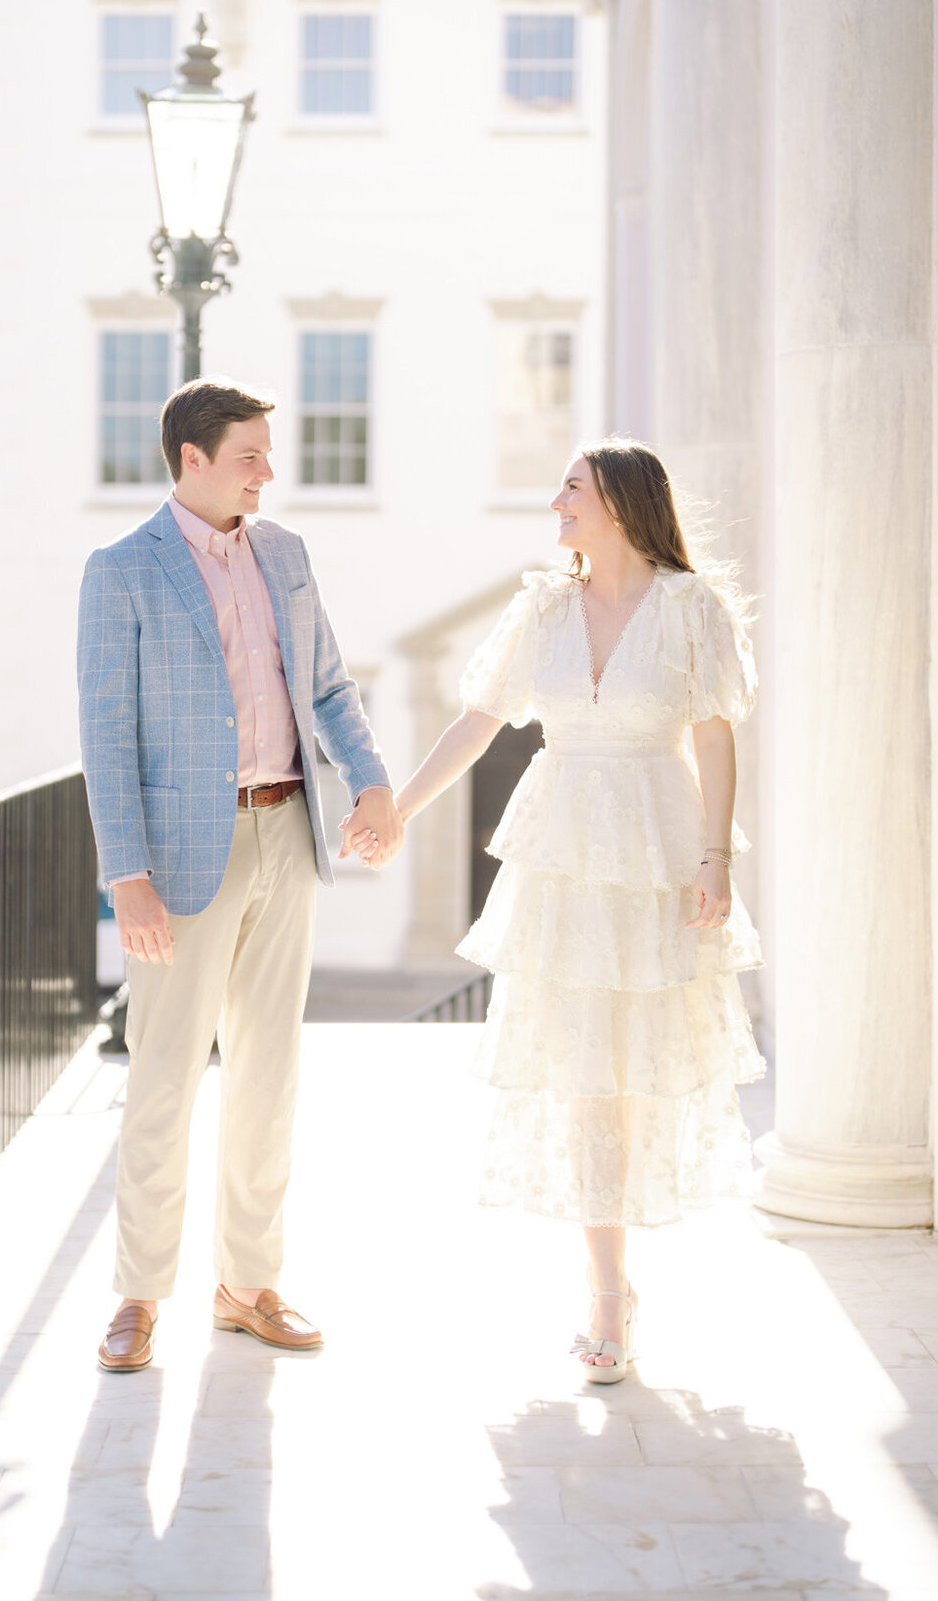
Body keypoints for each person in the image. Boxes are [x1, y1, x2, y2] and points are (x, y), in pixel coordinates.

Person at [386, 438, 764, 1382]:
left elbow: (714, 741)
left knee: (641, 1075)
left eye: (572, 487)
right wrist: (396, 807)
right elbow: (477, 719)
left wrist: (716, 858)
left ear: (623, 504)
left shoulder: (691, 608)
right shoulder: (540, 608)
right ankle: (606, 1292)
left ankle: (618, 1278)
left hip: (659, 857)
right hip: (562, 865)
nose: (555, 500)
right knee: (588, 1077)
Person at [77, 377, 402, 1372]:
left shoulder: (286, 555)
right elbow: (106, 733)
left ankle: (248, 1284)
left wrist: (374, 781)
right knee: (166, 1076)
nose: (271, 471)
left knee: (268, 1073)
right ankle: (139, 1296)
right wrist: (124, 873)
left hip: (285, 837)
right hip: (180, 858)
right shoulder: (122, 570)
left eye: (269, 452)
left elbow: (330, 686)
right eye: (251, 454)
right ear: (194, 459)